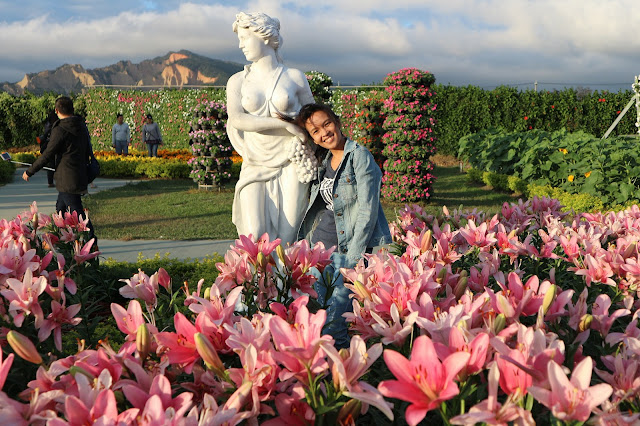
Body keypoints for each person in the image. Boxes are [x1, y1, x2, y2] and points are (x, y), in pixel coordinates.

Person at [293, 103, 391, 349]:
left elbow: (368, 211)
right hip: (319, 252)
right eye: (315, 131)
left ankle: (343, 377)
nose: (323, 133)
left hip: (346, 253)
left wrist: (353, 258)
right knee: (317, 318)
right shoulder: (325, 160)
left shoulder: (359, 156)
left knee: (336, 322)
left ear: (336, 122)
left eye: (326, 124)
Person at [226, 12, 315, 246]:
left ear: (264, 36)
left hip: (291, 162)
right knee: (254, 234)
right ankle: (257, 283)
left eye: (245, 38)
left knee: (288, 236)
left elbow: (314, 118)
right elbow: (237, 119)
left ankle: (286, 282)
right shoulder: (237, 81)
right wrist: (284, 125)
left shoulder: (294, 77)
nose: (240, 45)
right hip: (254, 161)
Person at [22, 96, 96, 241]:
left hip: (67, 178)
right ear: (72, 109)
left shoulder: (60, 128)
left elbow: (48, 154)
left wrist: (30, 171)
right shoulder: (81, 126)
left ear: (57, 110)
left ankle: (92, 241)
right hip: (79, 174)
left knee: (77, 212)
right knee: (60, 209)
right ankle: (60, 239)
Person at [38, 110, 58, 188]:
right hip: (53, 147)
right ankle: (54, 181)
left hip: (47, 147)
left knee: (51, 164)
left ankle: (50, 182)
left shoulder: (48, 124)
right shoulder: (55, 125)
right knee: (54, 164)